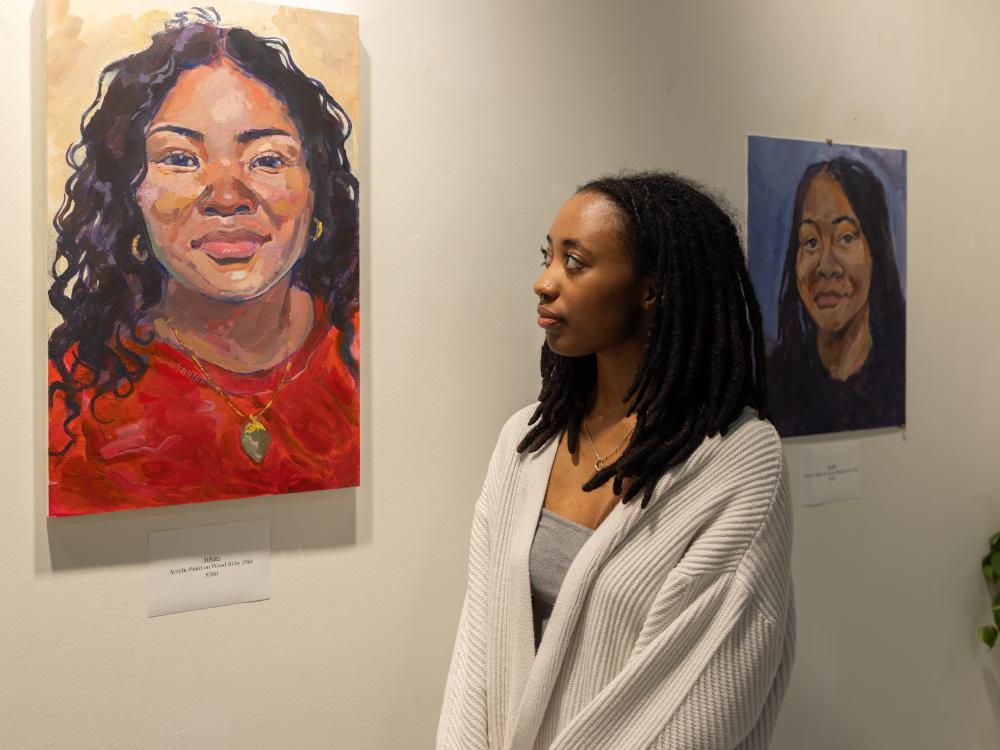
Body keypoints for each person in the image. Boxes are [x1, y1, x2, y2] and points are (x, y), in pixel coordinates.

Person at [438, 172, 795, 749]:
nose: (544, 283)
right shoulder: (525, 442)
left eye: (574, 262)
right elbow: (477, 648)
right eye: (547, 256)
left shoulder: (737, 463)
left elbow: (702, 693)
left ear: (649, 289)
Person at [47, 11, 360, 516]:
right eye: (181, 158)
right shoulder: (71, 404)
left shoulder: (365, 353)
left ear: (316, 189)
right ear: (130, 194)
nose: (226, 196)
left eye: (267, 159)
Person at [767, 157, 905, 437]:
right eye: (811, 241)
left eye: (845, 237)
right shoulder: (775, 382)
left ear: (874, 252)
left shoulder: (904, 377)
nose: (826, 266)